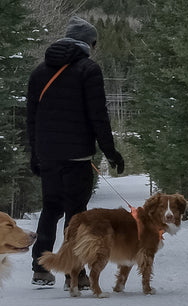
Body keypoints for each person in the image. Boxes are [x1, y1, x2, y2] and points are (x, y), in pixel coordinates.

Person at [26, 16, 124, 287]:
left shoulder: (38, 72)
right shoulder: (88, 70)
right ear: (87, 42)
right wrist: (110, 151)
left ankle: (40, 267)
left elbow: (31, 119)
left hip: (47, 154)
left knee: (50, 208)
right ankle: (75, 274)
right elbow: (98, 115)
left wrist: (35, 154)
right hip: (77, 155)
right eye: (93, 42)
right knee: (76, 213)